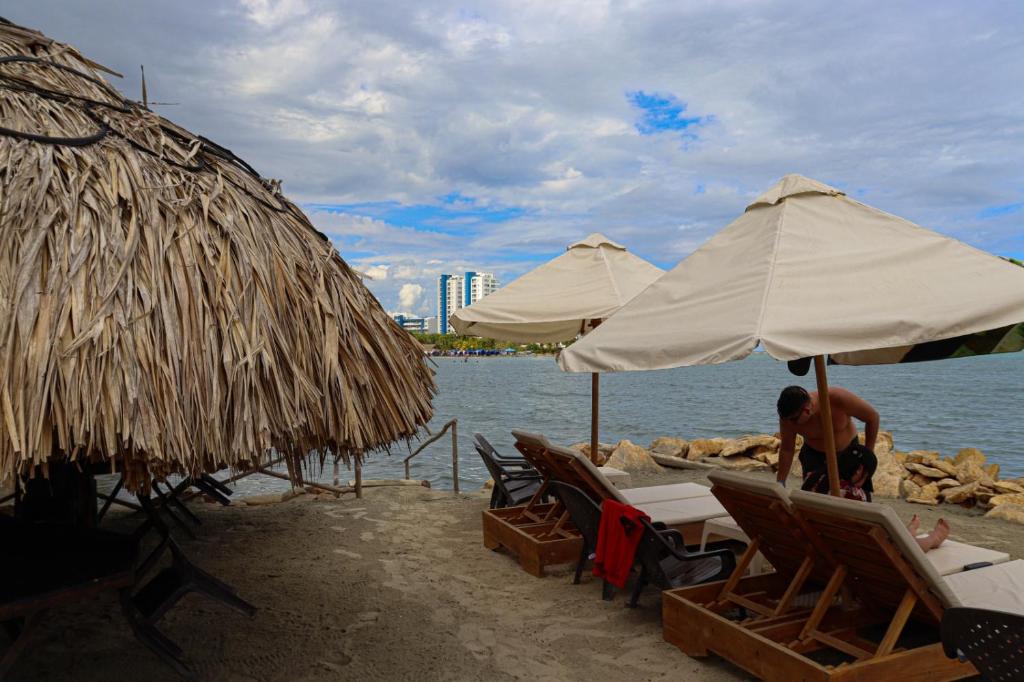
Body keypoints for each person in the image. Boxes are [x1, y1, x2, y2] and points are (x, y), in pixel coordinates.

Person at [776, 385, 948, 551]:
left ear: (807, 409)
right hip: (815, 458)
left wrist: (867, 456)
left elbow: (872, 417)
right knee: (817, 509)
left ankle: (925, 538)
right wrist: (781, 483)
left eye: (794, 419)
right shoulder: (788, 417)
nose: (790, 423)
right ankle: (909, 533)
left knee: (856, 511)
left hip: (849, 456)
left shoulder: (836, 399)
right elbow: (787, 449)